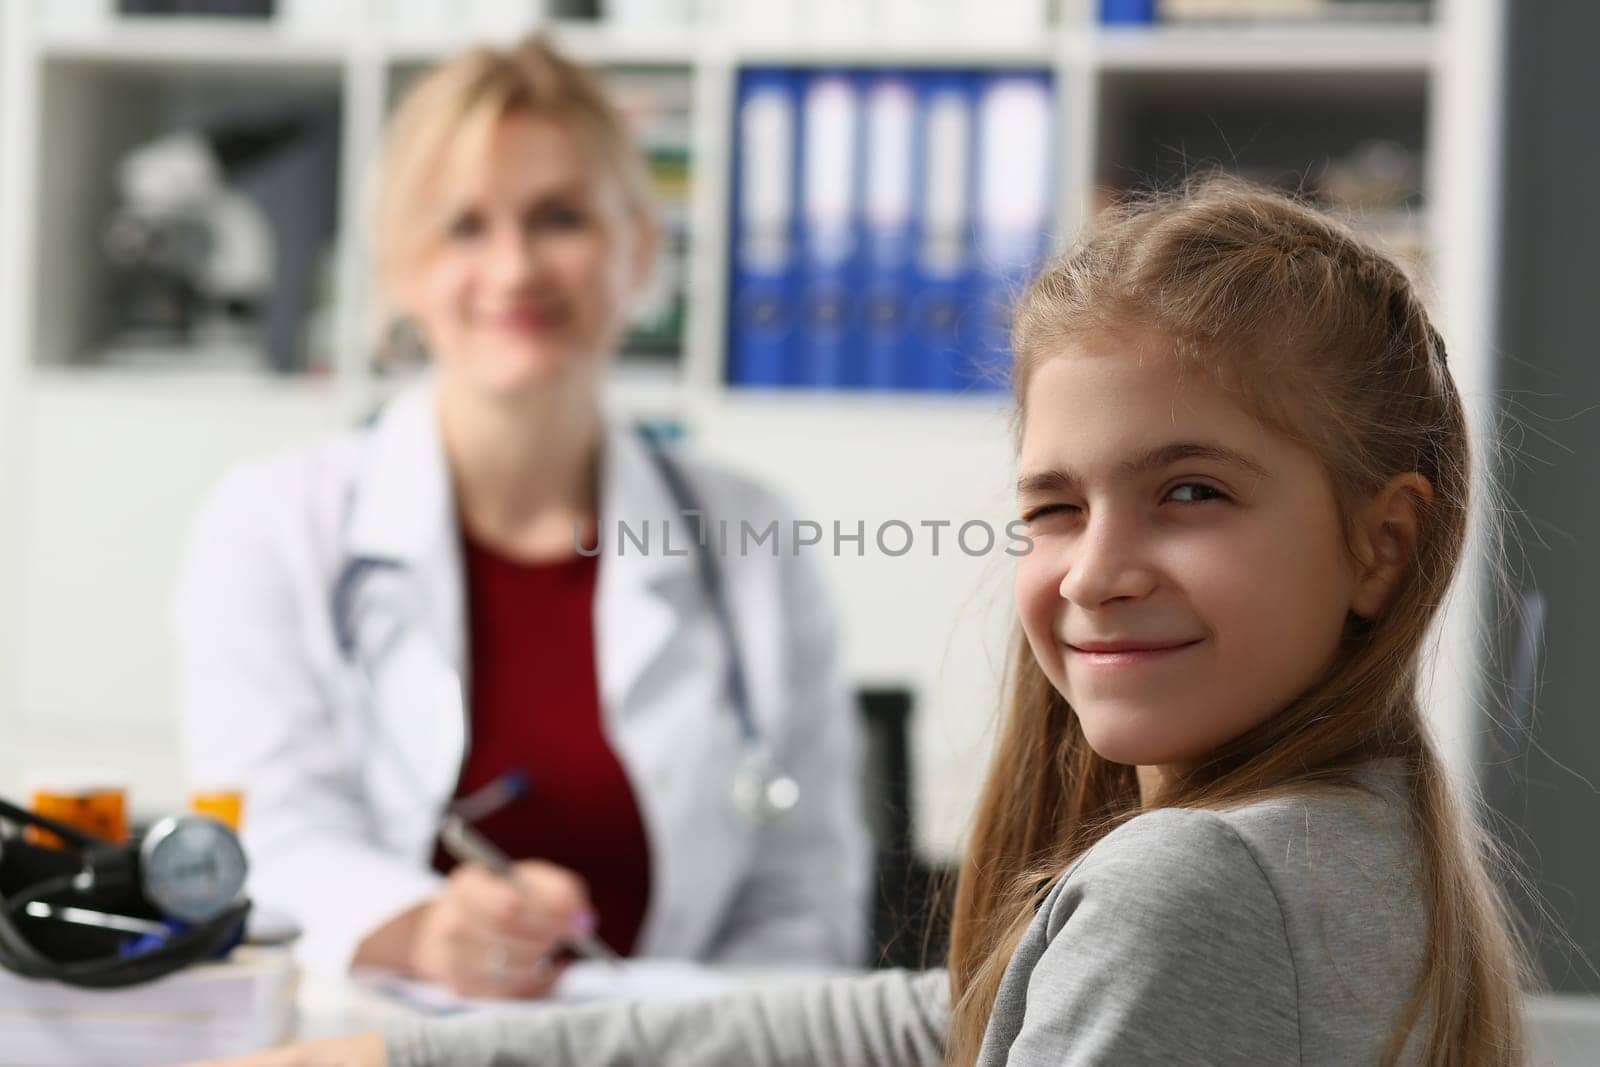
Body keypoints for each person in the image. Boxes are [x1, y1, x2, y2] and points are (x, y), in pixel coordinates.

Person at [200, 177, 1530, 1065]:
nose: (1094, 571)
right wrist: (417, 1047)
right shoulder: (1352, 830)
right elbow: (920, 1016)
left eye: (1191, 491)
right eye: (1054, 506)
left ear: (1383, 539)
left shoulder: (1188, 888)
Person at [173, 35, 872, 999]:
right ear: (403, 270)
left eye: (558, 217)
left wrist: (693, 1038)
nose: (514, 267)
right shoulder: (277, 522)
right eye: (464, 225)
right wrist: (424, 931)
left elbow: (805, 896)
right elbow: (274, 833)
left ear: (638, 250)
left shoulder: (753, 534)